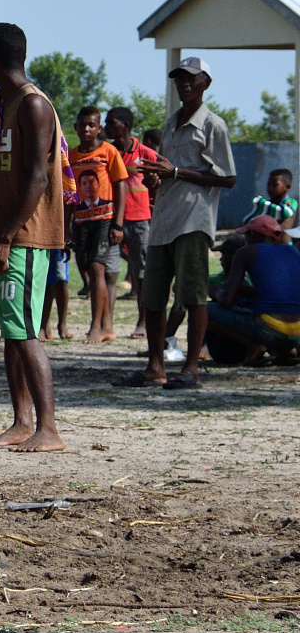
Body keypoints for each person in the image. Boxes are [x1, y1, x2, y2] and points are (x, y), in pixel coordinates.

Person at [0, 23, 65, 453]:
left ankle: (49, 429)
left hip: (25, 239)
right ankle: (21, 421)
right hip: (5, 238)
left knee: (27, 329)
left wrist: (7, 236)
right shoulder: (9, 105)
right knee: (12, 330)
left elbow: (38, 175)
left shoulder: (33, 105)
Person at [128, 56, 237, 389]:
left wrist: (175, 173)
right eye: (179, 79)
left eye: (191, 78)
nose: (184, 84)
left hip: (193, 219)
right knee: (153, 296)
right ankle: (155, 367)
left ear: (205, 83)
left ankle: (191, 368)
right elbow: (168, 169)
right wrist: (158, 179)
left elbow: (228, 177)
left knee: (193, 295)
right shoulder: (172, 123)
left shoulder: (213, 125)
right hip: (164, 218)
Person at [68, 106, 129, 343]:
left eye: (91, 125)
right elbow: (69, 193)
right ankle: (107, 326)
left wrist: (118, 224)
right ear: (75, 127)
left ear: (99, 128)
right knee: (88, 270)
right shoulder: (71, 156)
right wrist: (66, 227)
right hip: (81, 221)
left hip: (105, 220)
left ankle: (96, 326)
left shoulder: (109, 151)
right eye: (82, 125)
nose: (86, 129)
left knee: (97, 269)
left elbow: (120, 185)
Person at [206, 214, 300, 366]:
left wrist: (216, 291)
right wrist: (247, 291)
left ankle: (254, 347)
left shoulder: (246, 253)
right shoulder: (293, 253)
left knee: (204, 311)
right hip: (296, 332)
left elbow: (227, 300)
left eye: (246, 235)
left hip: (269, 330)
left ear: (254, 235)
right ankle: (287, 350)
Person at [106, 106, 157, 338]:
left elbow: (159, 182)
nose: (106, 127)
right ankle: (106, 324)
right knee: (109, 272)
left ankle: (143, 322)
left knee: (141, 272)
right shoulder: (107, 151)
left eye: (111, 122)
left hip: (139, 219)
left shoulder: (145, 153)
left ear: (125, 126)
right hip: (110, 219)